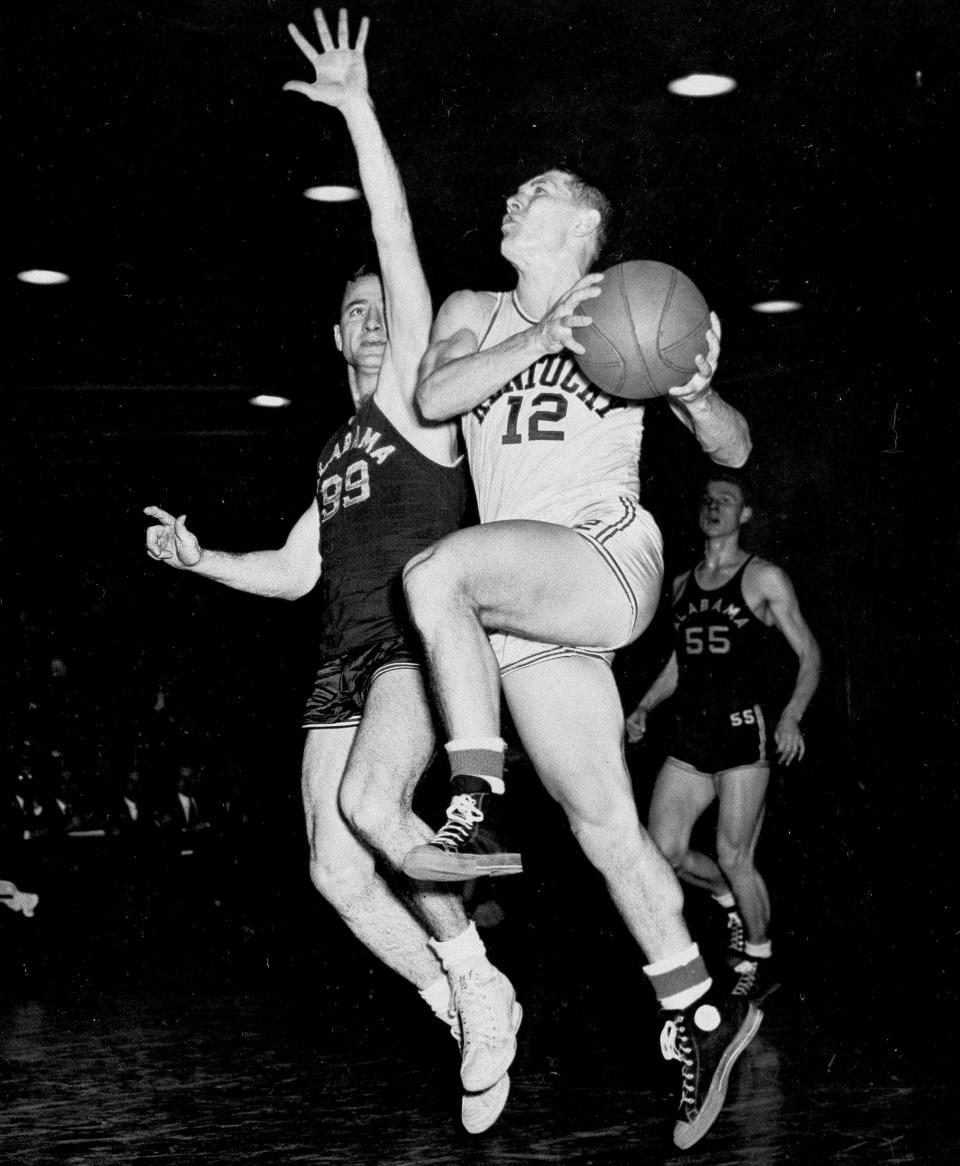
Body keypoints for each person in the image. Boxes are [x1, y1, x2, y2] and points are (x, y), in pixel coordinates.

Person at [144, 9, 519, 1134]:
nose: (369, 327)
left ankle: (476, 966)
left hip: (415, 643)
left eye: (380, 314)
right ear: (332, 337)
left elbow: (397, 241)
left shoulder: (415, 399)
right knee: (332, 866)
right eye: (352, 316)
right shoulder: (332, 449)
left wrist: (358, 111)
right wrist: (202, 557)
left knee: (370, 801)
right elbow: (298, 569)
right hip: (338, 657)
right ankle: (458, 987)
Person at [400, 166, 758, 1149]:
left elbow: (730, 446)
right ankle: (697, 1010)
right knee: (604, 824)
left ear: (584, 230)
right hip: (526, 603)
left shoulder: (624, 305)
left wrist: (694, 388)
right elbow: (438, 394)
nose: (512, 199)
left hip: (603, 555)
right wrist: (539, 336)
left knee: (435, 575)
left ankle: (471, 805)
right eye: (512, 191)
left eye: (537, 194)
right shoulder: (476, 307)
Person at [626, 471, 821, 1001]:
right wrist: (644, 705)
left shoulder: (763, 579)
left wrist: (791, 716)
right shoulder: (683, 584)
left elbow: (809, 653)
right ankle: (725, 899)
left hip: (742, 734)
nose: (714, 507)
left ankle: (759, 957)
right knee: (660, 852)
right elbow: (679, 662)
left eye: (727, 500)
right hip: (691, 734)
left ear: (746, 515)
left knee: (735, 854)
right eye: (707, 498)